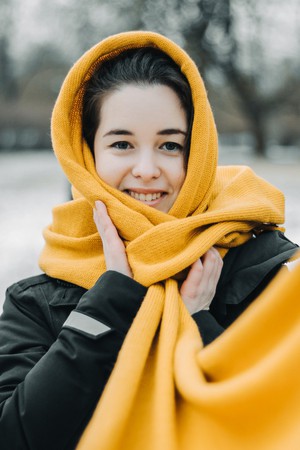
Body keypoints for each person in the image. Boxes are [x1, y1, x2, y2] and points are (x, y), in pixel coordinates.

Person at [0, 31, 298, 450]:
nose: (146, 168)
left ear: (196, 154)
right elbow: (16, 436)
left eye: (169, 145)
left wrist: (198, 321)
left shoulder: (265, 267)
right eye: (122, 143)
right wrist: (111, 299)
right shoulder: (35, 303)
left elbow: (279, 420)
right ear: (86, 155)